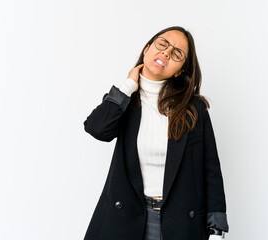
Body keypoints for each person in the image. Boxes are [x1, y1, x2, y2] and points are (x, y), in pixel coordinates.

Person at [83, 26, 229, 240]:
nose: (166, 53)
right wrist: (128, 85)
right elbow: (97, 129)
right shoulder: (126, 101)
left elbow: (211, 169)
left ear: (180, 70)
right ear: (147, 49)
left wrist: (217, 229)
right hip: (125, 218)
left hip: (177, 222)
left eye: (177, 53)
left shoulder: (193, 109)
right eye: (162, 44)